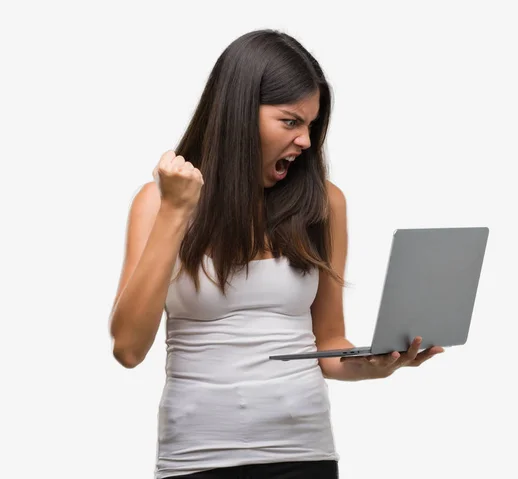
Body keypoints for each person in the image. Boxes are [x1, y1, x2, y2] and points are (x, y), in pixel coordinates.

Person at [109, 29, 444, 479]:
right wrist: (176, 210)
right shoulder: (158, 203)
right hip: (197, 461)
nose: (305, 141)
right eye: (290, 122)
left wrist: (373, 365)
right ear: (238, 116)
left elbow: (328, 345)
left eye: (311, 125)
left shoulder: (324, 203)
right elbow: (128, 348)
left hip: (304, 457)